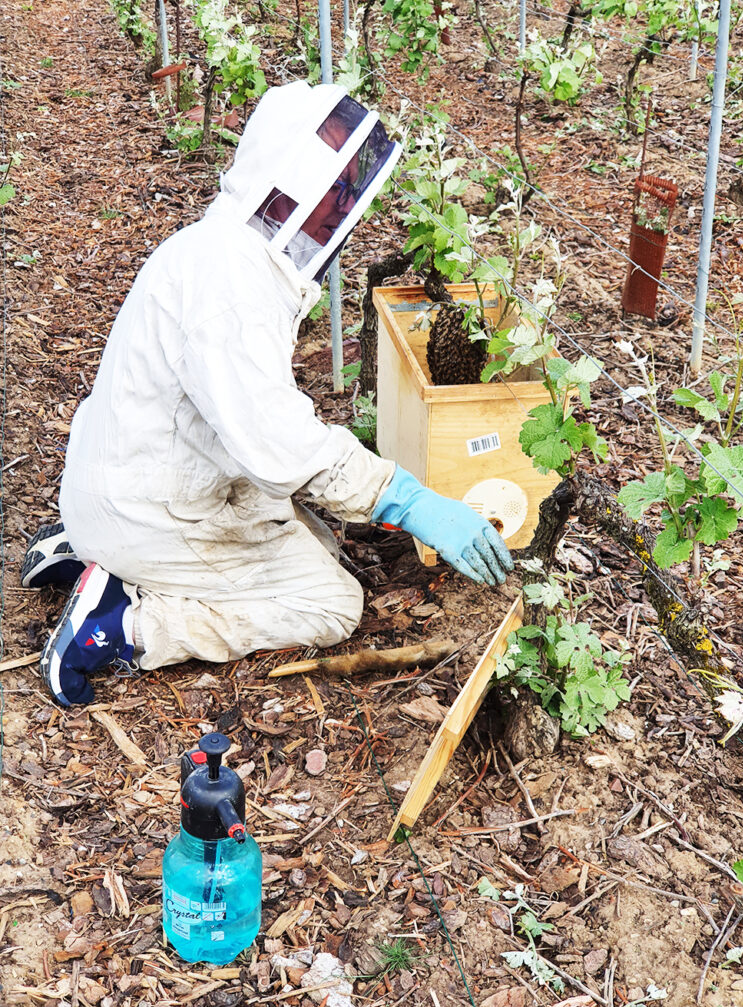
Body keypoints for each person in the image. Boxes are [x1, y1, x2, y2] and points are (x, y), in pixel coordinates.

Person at [23, 81, 514, 708]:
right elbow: (280, 443)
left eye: (344, 192)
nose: (338, 211)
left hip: (134, 479)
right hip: (149, 508)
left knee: (323, 539)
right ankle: (122, 626)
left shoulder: (223, 250)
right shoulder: (230, 284)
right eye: (331, 190)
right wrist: (407, 499)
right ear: (289, 184)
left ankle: (87, 549)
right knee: (332, 601)